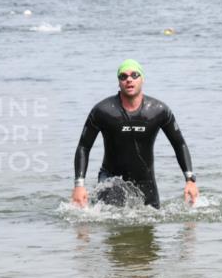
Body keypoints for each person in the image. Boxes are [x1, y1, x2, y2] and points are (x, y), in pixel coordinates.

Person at [71, 59, 198, 209]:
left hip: (146, 182)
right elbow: (84, 147)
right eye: (123, 76)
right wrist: (79, 185)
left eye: (134, 75)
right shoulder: (103, 111)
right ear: (119, 82)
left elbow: (179, 144)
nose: (129, 79)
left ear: (142, 79)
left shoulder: (158, 110)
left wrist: (190, 180)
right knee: (112, 218)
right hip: (112, 180)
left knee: (152, 219)